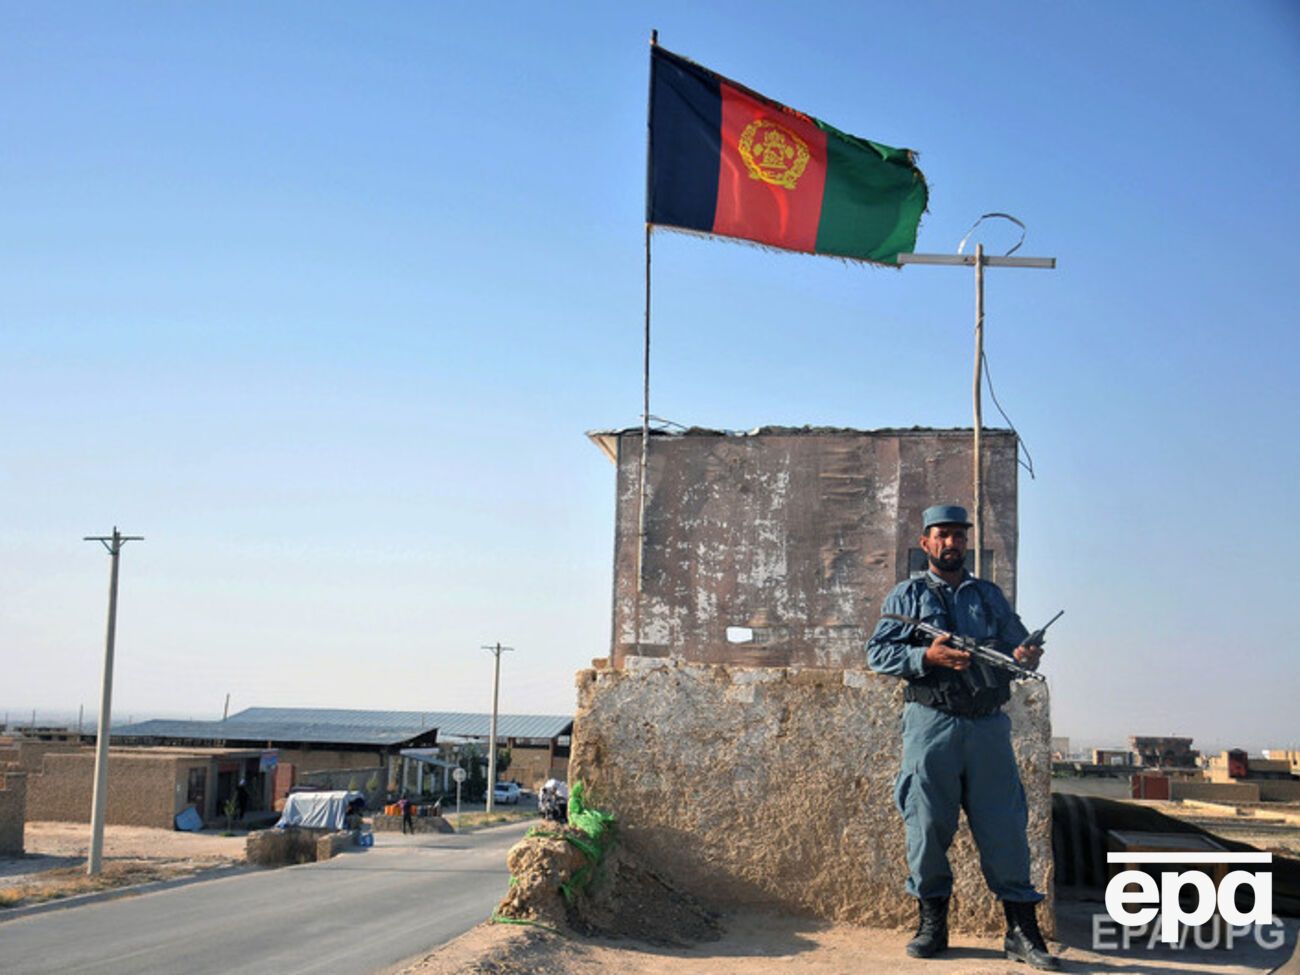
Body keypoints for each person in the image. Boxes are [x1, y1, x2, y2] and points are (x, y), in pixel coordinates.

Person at [866, 504, 1058, 970]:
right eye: (943, 535)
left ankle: (1021, 931)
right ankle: (932, 923)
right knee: (927, 825)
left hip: (988, 726)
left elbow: (1016, 650)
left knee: (1005, 828)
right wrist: (927, 658)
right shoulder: (907, 596)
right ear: (926, 542)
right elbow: (877, 652)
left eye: (959, 536)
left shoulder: (988, 596)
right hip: (932, 724)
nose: (951, 543)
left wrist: (1025, 652)